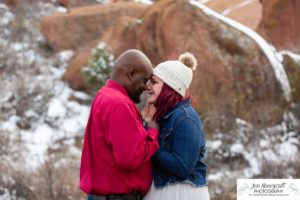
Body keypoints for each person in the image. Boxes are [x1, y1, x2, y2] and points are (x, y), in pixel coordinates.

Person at [80, 49, 160, 200]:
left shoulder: (104, 95)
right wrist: (152, 133)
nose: (146, 87)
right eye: (145, 80)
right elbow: (130, 157)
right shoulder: (119, 103)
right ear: (131, 73)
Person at [143, 52, 210, 200]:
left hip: (183, 194)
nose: (148, 86)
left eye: (154, 82)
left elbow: (182, 167)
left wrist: (151, 144)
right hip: (165, 191)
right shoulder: (162, 117)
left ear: (169, 86)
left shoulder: (186, 117)